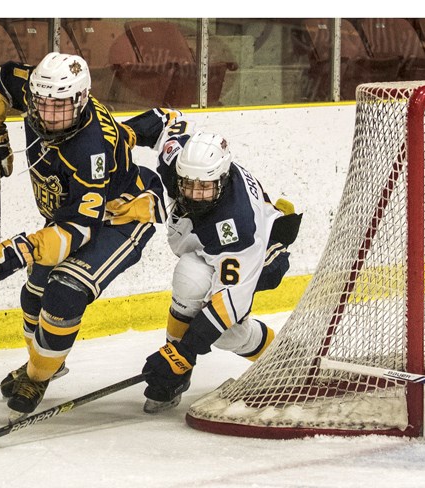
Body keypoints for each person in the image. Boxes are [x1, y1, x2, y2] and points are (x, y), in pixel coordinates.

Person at [0, 52, 180, 418]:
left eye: (60, 108)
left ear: (81, 100)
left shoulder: (90, 148)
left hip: (119, 216)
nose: (47, 116)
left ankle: (38, 375)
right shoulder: (41, 91)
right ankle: (44, 363)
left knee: (64, 292)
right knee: (33, 294)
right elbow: (0, 80)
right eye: (41, 104)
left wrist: (21, 250)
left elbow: (81, 228)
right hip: (71, 217)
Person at [127, 126, 303, 413]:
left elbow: (228, 304)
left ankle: (284, 357)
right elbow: (164, 125)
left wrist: (183, 352)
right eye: (189, 185)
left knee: (223, 332)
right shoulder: (181, 163)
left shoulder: (237, 224)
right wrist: (124, 132)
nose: (195, 194)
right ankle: (176, 375)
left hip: (262, 255)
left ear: (221, 180)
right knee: (190, 277)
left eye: (205, 187)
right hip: (207, 246)